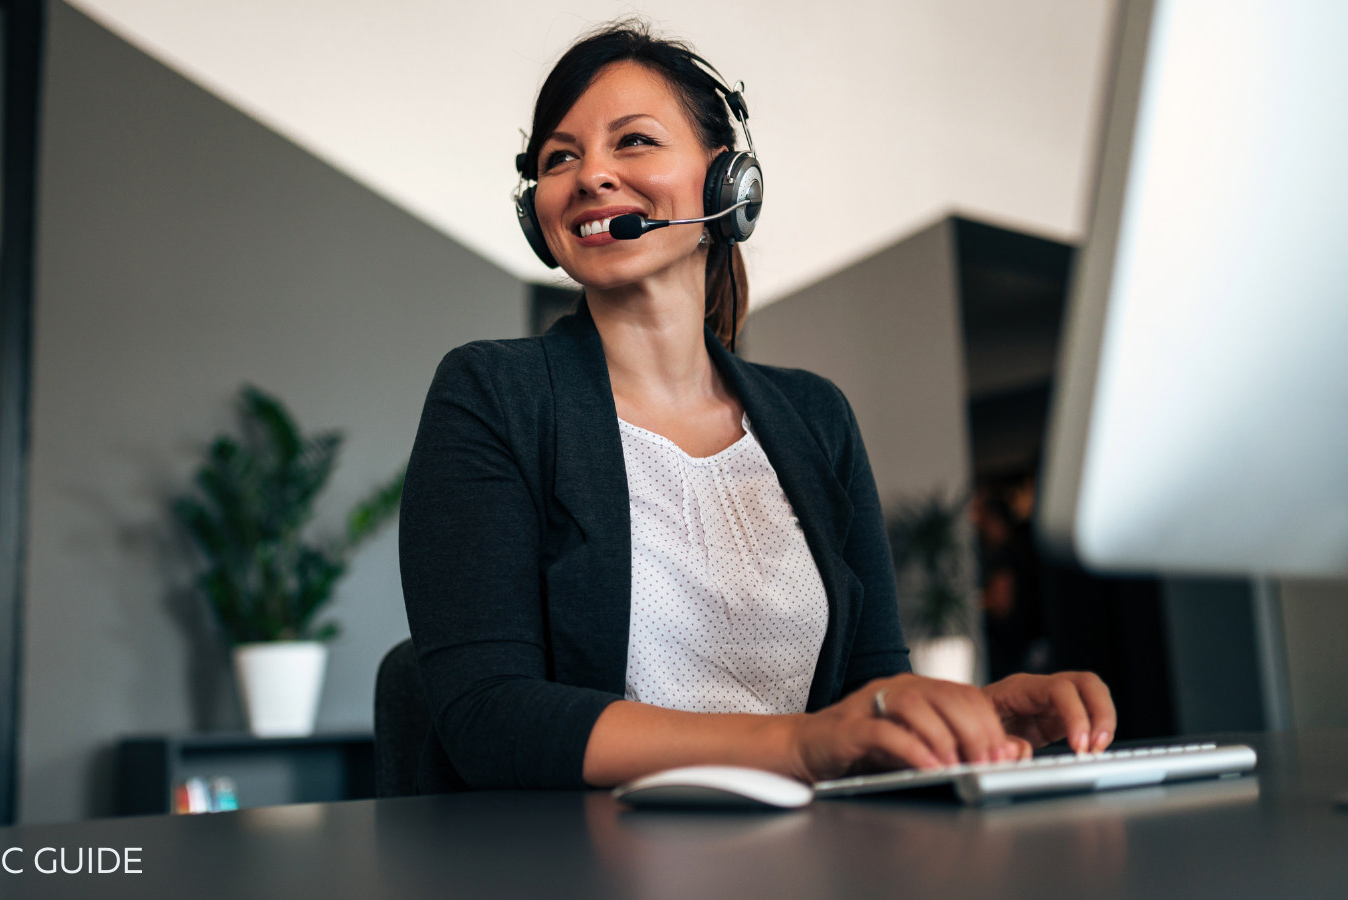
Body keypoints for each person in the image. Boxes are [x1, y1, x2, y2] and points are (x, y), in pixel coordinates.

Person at [399, 20, 1114, 794]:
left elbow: (869, 684)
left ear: (727, 181)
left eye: (633, 141)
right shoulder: (492, 395)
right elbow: (490, 716)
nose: (591, 175)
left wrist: (962, 719)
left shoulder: (815, 418)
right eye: (559, 158)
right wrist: (801, 745)